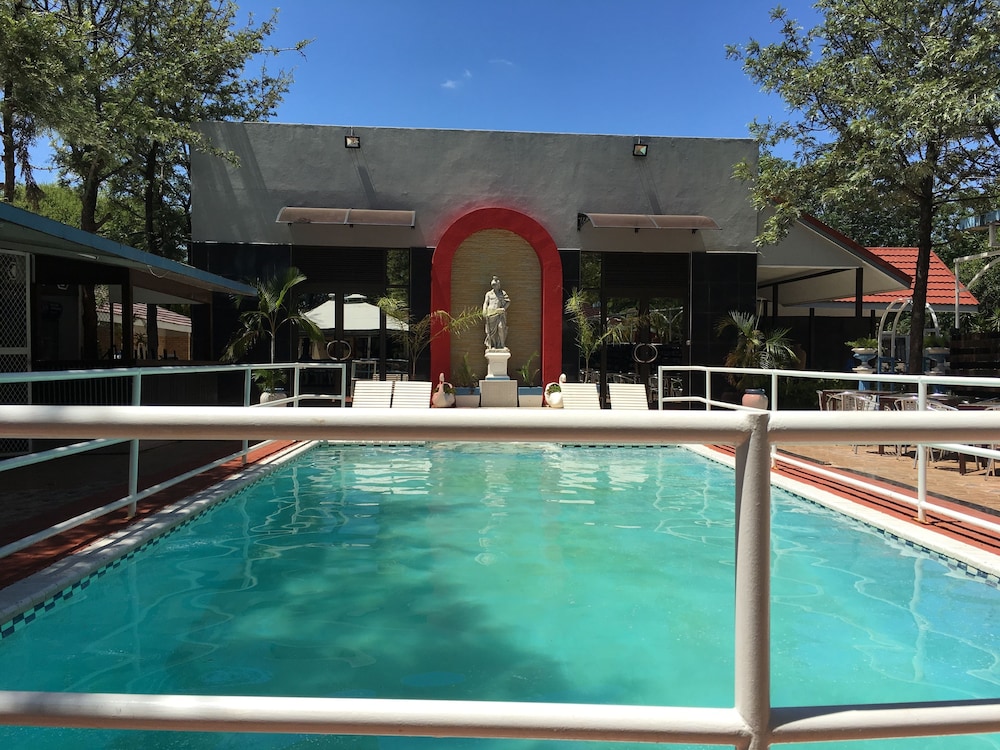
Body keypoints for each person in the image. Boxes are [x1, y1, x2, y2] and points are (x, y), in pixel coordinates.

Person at [482, 275, 510, 349]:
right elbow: (486, 303)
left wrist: (503, 308)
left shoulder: (502, 293)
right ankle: (493, 345)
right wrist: (484, 310)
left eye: (496, 285)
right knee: (491, 332)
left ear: (498, 285)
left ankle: (502, 345)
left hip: (499, 314)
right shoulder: (489, 294)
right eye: (493, 285)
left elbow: (508, 302)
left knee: (501, 327)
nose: (495, 286)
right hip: (491, 314)